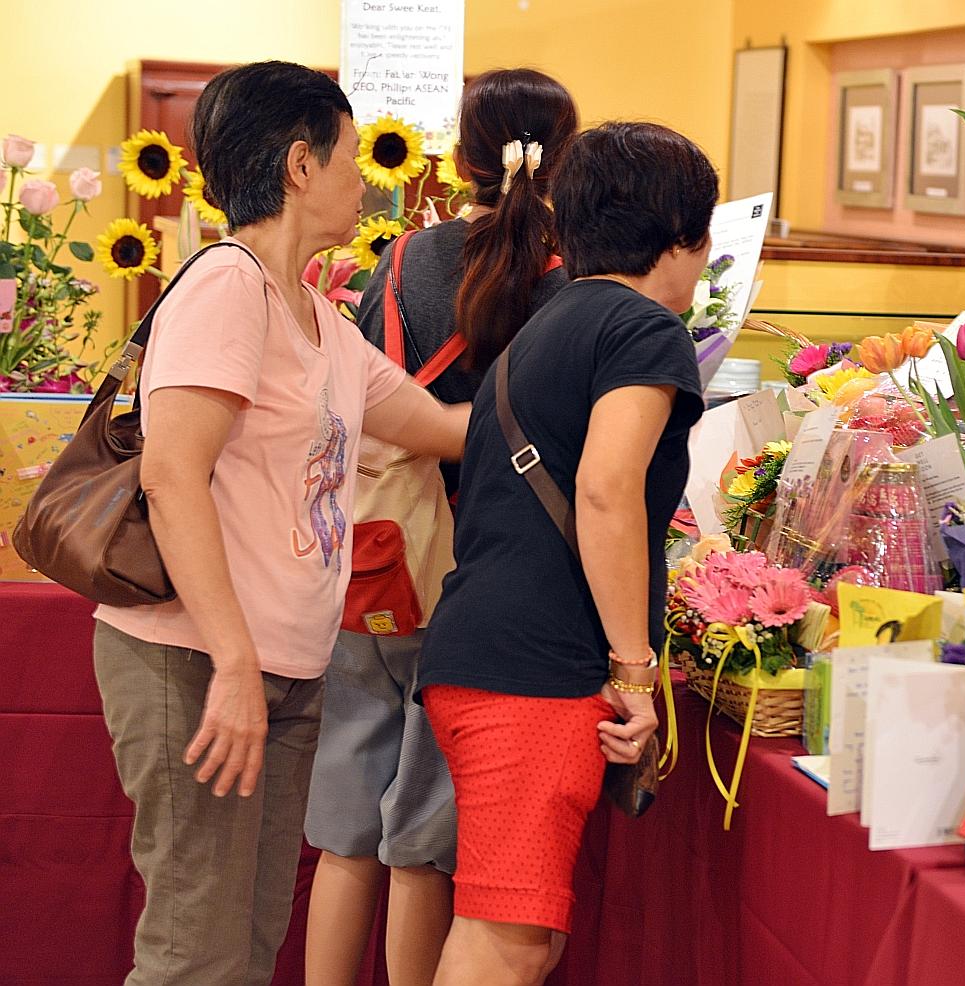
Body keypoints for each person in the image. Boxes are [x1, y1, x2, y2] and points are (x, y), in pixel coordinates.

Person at [90, 61, 471, 986]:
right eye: (349, 157)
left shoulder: (313, 312)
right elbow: (174, 478)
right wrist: (229, 663)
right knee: (197, 951)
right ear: (302, 165)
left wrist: (596, 385)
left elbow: (439, 428)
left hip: (283, 668)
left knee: (249, 939)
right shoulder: (228, 288)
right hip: (200, 661)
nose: (364, 180)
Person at [417, 121, 715, 986]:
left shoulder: (549, 321)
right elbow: (606, 491)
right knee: (505, 940)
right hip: (534, 675)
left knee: (526, 936)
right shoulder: (645, 329)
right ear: (684, 237)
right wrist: (632, 669)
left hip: (485, 650)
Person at [303, 68, 577, 986]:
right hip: (472, 575)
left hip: (370, 553)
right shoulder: (564, 282)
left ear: (459, 157)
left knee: (343, 832)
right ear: (565, 157)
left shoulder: (407, 255)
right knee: (422, 839)